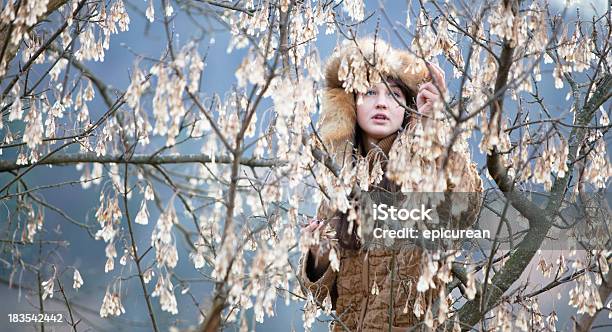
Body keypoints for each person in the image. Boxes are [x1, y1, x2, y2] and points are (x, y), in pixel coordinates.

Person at [299, 38, 483, 331]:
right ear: (350, 105)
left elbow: (466, 205)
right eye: (370, 92)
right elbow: (321, 298)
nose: (382, 102)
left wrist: (435, 129)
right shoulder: (339, 189)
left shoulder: (423, 168)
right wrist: (318, 257)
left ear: (407, 107)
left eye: (394, 94)